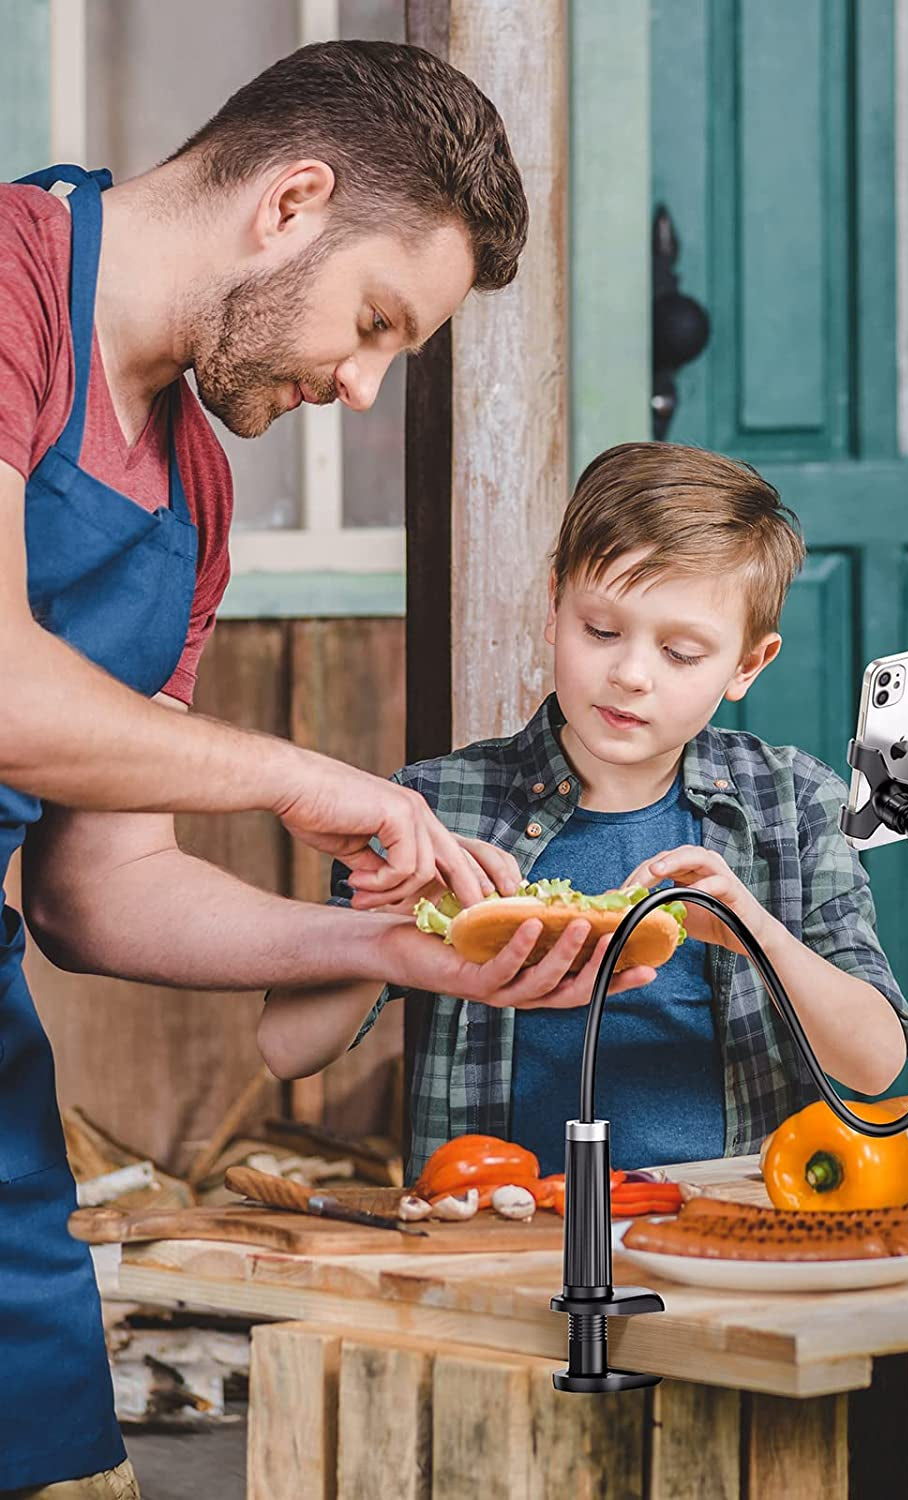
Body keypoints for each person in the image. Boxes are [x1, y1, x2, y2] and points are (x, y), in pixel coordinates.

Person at [0, 37, 604, 1498]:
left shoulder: (194, 495)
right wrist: (290, 775)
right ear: (290, 203)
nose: (362, 385)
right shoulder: (12, 281)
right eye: (377, 321)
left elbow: (96, 886)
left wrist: (388, 949)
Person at [260, 441, 908, 1184]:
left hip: (730, 1224)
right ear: (553, 607)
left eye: (681, 653)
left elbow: (875, 1063)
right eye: (600, 631)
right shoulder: (438, 804)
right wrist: (390, 914)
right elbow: (287, 1047)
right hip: (492, 1223)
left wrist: (752, 933)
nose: (629, 674)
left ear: (747, 665)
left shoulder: (794, 802)